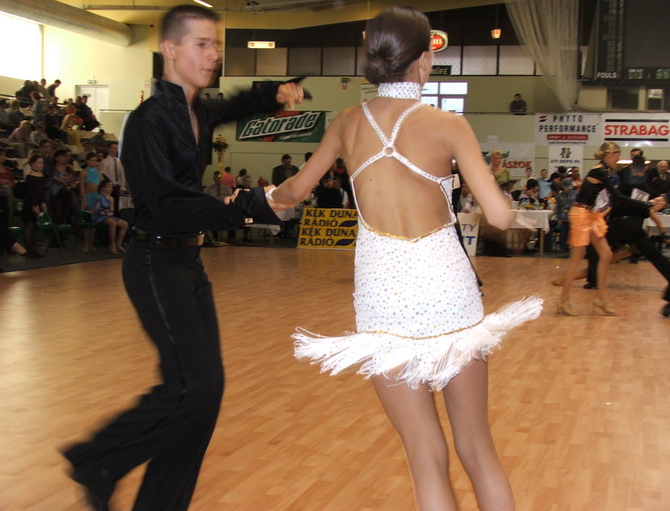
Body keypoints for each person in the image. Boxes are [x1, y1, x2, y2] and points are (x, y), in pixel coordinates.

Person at [270, 7, 541, 510]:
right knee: (477, 448)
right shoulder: (446, 124)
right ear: (424, 60)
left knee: (423, 453)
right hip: (447, 290)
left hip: (384, 296)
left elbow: (293, 192)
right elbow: (501, 217)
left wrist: (262, 198)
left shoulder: (346, 122)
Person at [59, 5, 303, 511]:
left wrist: (275, 93)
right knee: (195, 386)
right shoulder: (148, 121)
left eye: (216, 46)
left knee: (203, 393)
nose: (213, 55)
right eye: (201, 44)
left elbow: (237, 104)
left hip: (187, 262)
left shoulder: (199, 111)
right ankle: (97, 459)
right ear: (169, 49)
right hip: (154, 262)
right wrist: (248, 206)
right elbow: (169, 205)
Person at [557, 142, 656, 317]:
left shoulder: (605, 171)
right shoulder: (599, 171)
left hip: (591, 215)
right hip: (580, 215)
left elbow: (611, 197)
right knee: (577, 258)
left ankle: (601, 299)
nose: (618, 159)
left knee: (606, 254)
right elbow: (618, 197)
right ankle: (563, 300)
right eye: (617, 155)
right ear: (609, 154)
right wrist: (646, 204)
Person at [91, 180, 129, 254]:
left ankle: (119, 244)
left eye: (111, 187)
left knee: (125, 224)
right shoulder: (98, 196)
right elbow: (96, 210)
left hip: (107, 215)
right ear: (103, 188)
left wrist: (109, 213)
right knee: (112, 222)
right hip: (98, 216)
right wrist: (103, 212)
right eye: (109, 187)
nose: (111, 189)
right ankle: (112, 244)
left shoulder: (111, 198)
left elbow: (112, 210)